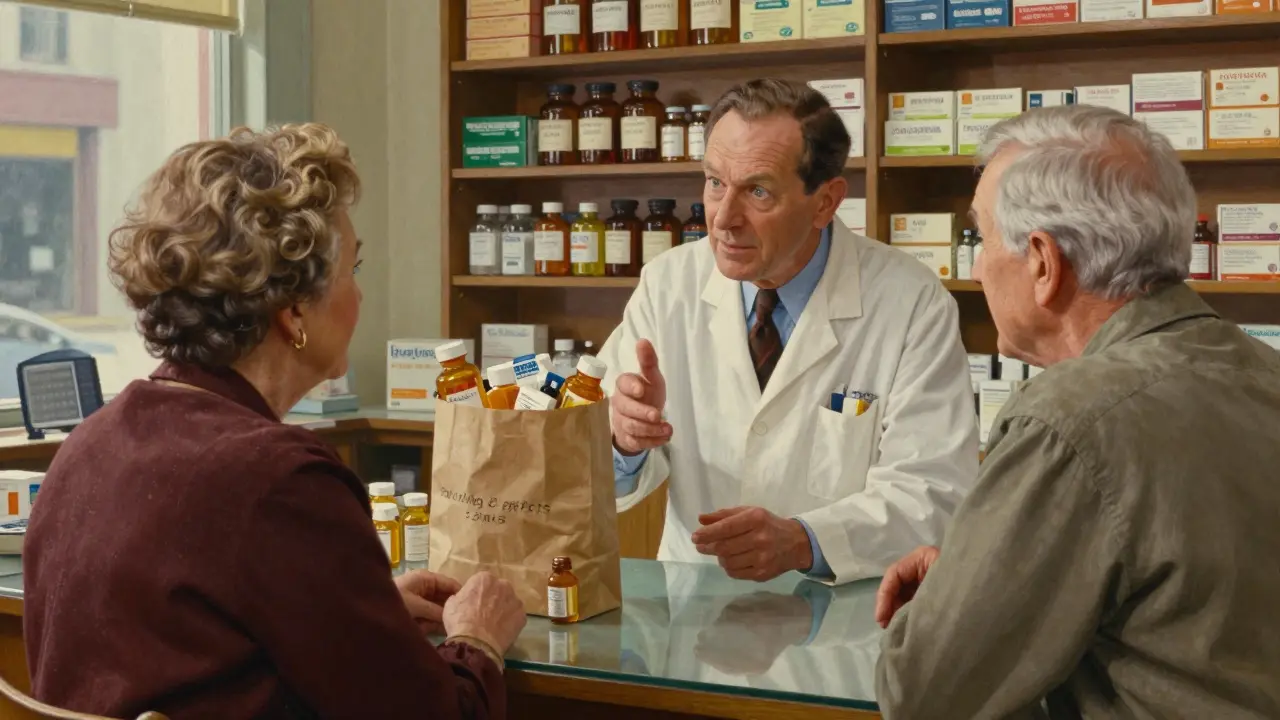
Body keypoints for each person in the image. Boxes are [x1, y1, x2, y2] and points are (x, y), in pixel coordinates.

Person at [24, 124, 527, 719]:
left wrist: (357, 611)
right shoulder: (280, 482)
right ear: (294, 313)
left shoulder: (93, 441)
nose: (360, 299)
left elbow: (199, 642)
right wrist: (476, 640)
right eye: (354, 271)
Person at [874, 105, 1280, 717]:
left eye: (982, 239)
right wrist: (990, 567)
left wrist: (955, 594)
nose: (979, 267)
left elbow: (925, 693)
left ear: (1043, 261)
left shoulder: (1069, 419)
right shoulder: (1261, 372)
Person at [599, 78, 979, 586]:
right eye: (715, 183)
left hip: (846, 626)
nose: (723, 219)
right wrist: (624, 441)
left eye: (757, 191)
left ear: (825, 202)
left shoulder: (910, 301)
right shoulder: (668, 284)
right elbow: (590, 468)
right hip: (698, 616)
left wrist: (804, 542)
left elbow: (933, 492)